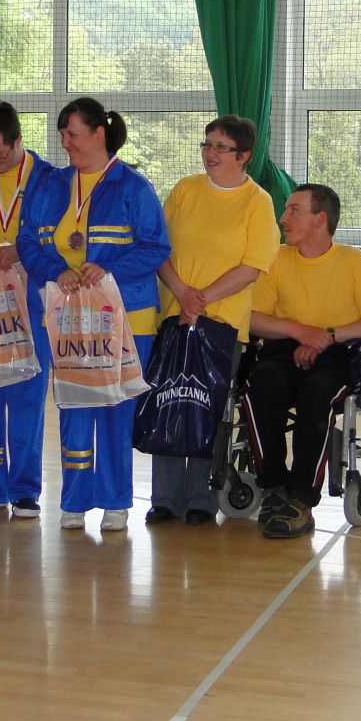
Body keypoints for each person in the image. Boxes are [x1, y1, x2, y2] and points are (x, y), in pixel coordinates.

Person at [18, 98, 169, 533]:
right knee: (74, 406)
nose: (65, 143)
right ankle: (74, 500)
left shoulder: (133, 186)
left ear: (98, 133)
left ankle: (116, 501)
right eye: (62, 135)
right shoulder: (51, 185)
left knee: (116, 409)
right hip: (69, 319)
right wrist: (55, 270)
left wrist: (109, 269)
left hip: (127, 319)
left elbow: (156, 247)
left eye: (73, 134)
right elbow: (27, 241)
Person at [149, 116, 280, 526]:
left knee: (209, 408)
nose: (210, 153)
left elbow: (252, 267)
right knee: (169, 401)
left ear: (243, 156)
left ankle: (202, 499)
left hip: (221, 324)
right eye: (207, 144)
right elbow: (158, 248)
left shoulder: (257, 201)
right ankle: (165, 498)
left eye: (221, 147)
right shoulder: (185, 190)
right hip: (175, 316)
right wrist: (182, 294)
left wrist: (202, 299)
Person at [246, 184, 361, 540]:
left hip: (340, 352)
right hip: (285, 347)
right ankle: (273, 485)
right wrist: (300, 332)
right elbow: (253, 319)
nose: (283, 217)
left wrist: (326, 336)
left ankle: (301, 499)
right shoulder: (276, 259)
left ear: (319, 219)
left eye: (293, 210)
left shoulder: (354, 262)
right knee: (261, 384)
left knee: (316, 394)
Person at [0, 99, 55, 519]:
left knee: (26, 396)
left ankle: (24, 488)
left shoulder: (49, 180)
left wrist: (22, 249)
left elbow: (63, 238)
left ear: (19, 140)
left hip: (32, 301)